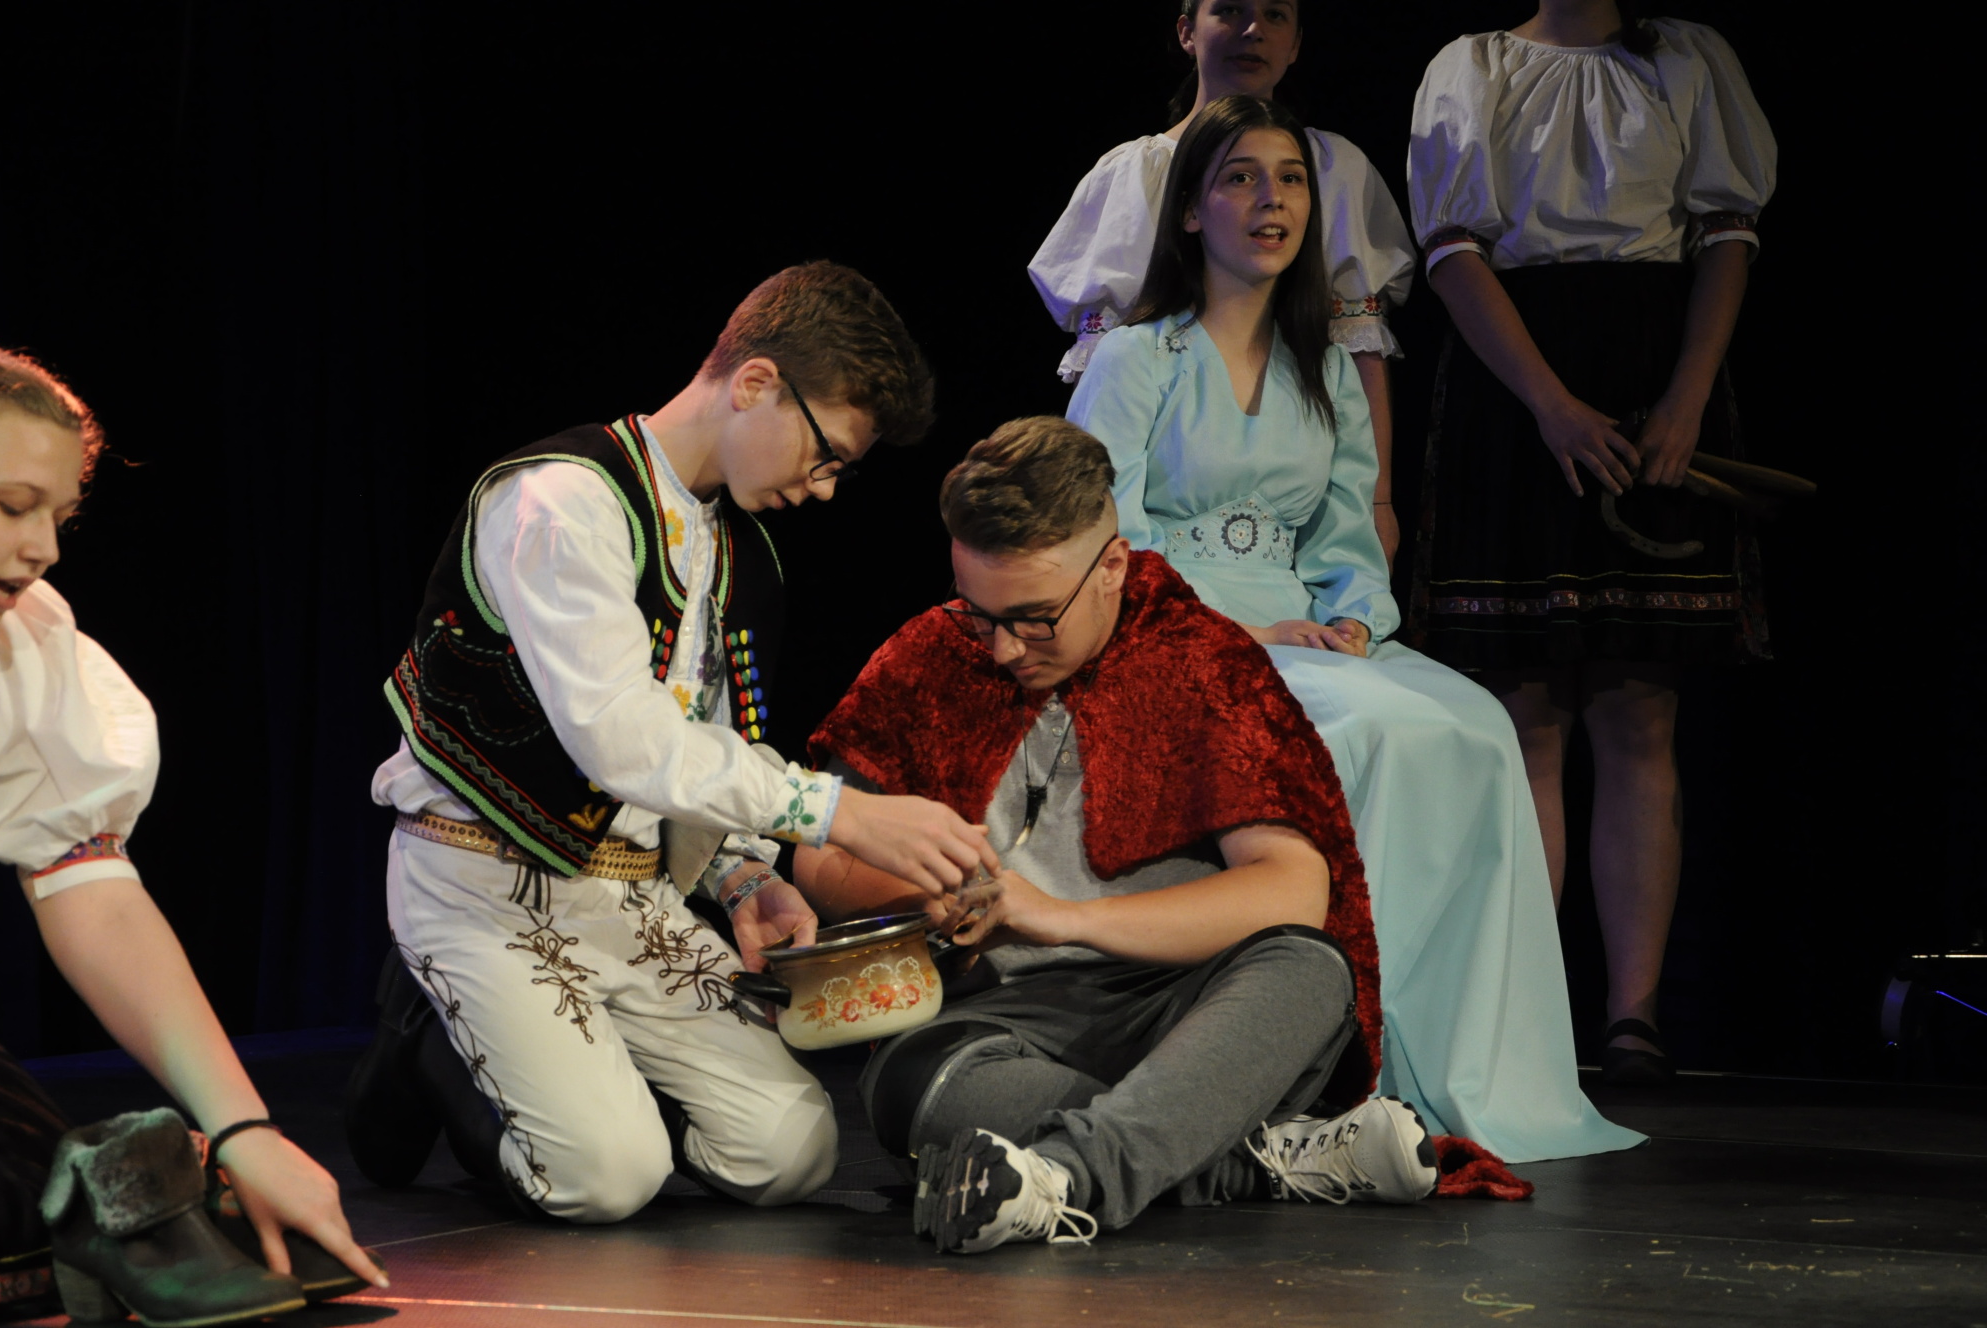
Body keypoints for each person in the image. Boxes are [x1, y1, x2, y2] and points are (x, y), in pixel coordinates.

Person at [343, 261, 1001, 1226]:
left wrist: (740, 877)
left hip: (627, 894)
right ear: (756, 383)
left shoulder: (740, 551)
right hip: (478, 881)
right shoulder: (563, 500)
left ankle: (576, 1074)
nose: (824, 489)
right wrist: (837, 812)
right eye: (826, 455)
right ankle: (427, 1037)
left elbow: (701, 745)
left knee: (790, 1152)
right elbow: (620, 738)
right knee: (606, 1179)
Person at [1065, 95, 1639, 1161]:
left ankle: (1467, 1068)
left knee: (1477, 726)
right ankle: (1344, 1059)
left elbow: (1343, 534)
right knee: (1375, 732)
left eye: (1288, 178)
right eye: (1239, 177)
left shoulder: (1325, 366)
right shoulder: (1136, 357)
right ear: (1189, 210)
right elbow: (1109, 543)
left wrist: (1353, 625)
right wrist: (1248, 632)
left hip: (1300, 626)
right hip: (1176, 630)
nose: (1270, 200)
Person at [795, 417, 1438, 1254]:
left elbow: (1292, 888)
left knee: (1309, 969)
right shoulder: (928, 655)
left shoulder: (1201, 659)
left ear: (1111, 568)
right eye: (981, 613)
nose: (1002, 649)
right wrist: (932, 886)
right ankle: (1246, 1159)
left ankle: (1063, 1180)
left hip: (1186, 1008)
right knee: (912, 1085)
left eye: (1034, 618)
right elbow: (819, 859)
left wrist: (1062, 917)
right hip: (1005, 1016)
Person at [1406, 1, 1775, 1082]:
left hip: (1657, 367)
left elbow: (1726, 236)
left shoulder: (1688, 56)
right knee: (1526, 715)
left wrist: (1687, 401)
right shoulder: (1472, 64)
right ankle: (1525, 1015)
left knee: (1637, 709)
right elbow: (1452, 250)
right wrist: (1550, 405)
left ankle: (1632, 1019)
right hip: (1517, 377)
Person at [0, 345, 387, 1324]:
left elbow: (91, 893)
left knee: (41, 1196)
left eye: (57, 516)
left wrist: (243, 1128)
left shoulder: (25, 649)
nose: (44, 548)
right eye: (12, 505)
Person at [1028, 0, 1415, 562]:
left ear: (1297, 42)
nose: (1253, 30)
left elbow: (1359, 341)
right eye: (1230, 10)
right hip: (1166, 479)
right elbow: (1102, 382)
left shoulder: (1334, 168)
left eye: (1275, 15)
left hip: (1294, 457)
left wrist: (1377, 501)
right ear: (1187, 31)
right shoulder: (1133, 173)